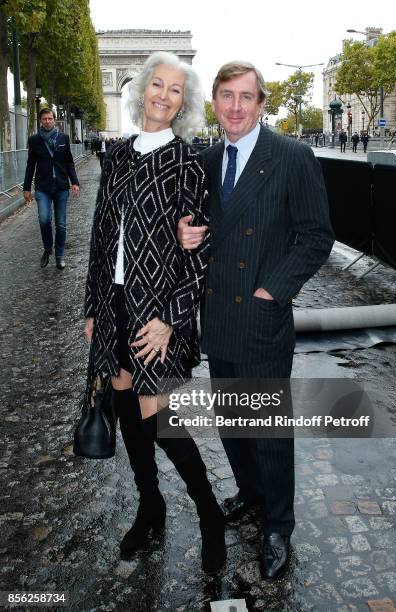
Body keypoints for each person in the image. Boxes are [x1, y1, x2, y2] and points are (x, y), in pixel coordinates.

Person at [178, 61, 334, 580]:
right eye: (227, 96)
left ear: (262, 103)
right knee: (232, 421)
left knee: (267, 430)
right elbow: (197, 227)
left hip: (262, 317)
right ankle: (248, 494)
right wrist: (185, 234)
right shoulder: (203, 160)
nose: (237, 107)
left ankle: (277, 525)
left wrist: (274, 289)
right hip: (218, 314)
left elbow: (316, 236)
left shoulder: (291, 156)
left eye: (247, 97)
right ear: (215, 103)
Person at [83, 51, 226, 575]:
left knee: (160, 419)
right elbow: (103, 238)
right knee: (125, 406)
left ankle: (209, 516)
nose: (164, 96)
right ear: (141, 89)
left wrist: (171, 319)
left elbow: (198, 255)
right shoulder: (116, 155)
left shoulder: (187, 162)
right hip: (114, 305)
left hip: (156, 311)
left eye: (175, 90)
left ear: (182, 103)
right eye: (157, 85)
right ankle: (151, 505)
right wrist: (93, 307)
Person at [23, 108, 80, 269]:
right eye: (44, 119)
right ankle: (48, 248)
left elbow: (69, 162)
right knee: (44, 219)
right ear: (40, 121)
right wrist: (26, 187)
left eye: (50, 118)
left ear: (54, 120)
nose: (47, 121)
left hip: (61, 186)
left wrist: (74, 182)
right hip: (43, 187)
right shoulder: (34, 140)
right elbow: (30, 165)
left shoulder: (64, 138)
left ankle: (60, 256)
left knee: (61, 224)